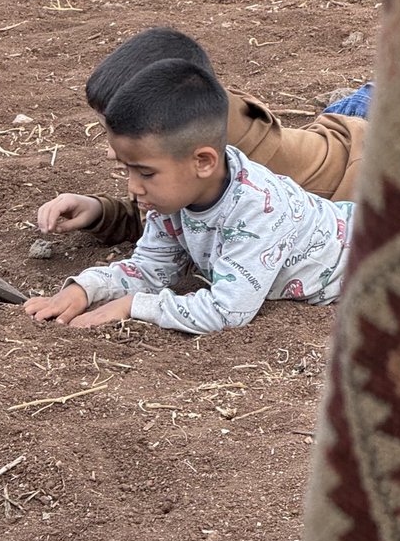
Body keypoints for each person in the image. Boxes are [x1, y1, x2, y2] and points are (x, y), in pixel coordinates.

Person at [24, 58, 356, 335]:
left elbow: (228, 312)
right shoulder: (172, 198)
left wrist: (134, 306)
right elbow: (151, 271)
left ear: (203, 162)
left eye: (146, 173)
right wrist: (86, 288)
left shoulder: (258, 210)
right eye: (128, 170)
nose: (133, 187)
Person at [37, 26, 370, 243]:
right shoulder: (204, 112)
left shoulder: (235, 176)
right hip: (340, 128)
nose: (111, 146)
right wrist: (99, 210)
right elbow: (166, 213)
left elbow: (179, 230)